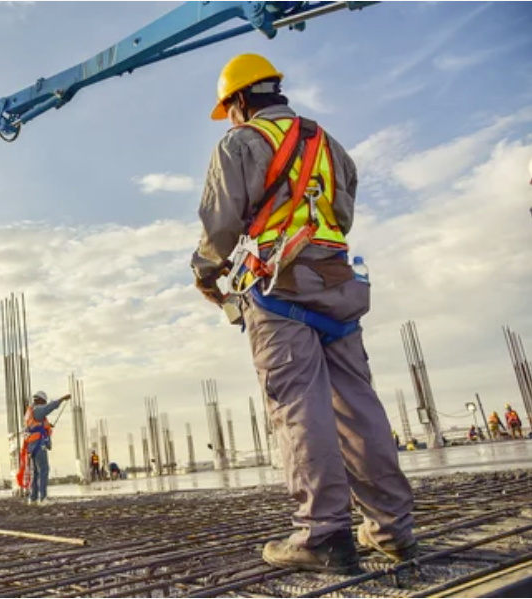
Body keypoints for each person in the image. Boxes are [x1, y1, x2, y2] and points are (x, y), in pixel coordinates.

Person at [191, 54, 416, 573]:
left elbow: (221, 225)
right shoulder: (329, 145)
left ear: (240, 99)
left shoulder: (241, 143)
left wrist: (204, 273)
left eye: (228, 107)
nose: (228, 117)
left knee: (298, 407)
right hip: (337, 283)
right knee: (358, 406)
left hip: (278, 289)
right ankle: (393, 530)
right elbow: (341, 214)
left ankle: (324, 536)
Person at [23, 391, 70, 505]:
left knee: (37, 473)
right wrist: (62, 399)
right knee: (44, 470)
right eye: (43, 402)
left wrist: (47, 426)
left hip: (32, 445)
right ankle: (43, 498)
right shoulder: (37, 410)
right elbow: (48, 408)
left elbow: (36, 425)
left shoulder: (30, 412)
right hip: (38, 444)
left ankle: (33, 498)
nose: (44, 404)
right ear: (39, 400)